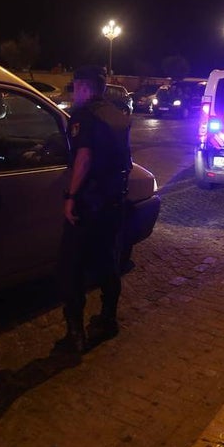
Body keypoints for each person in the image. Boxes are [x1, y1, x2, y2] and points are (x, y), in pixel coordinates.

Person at [58, 66, 133, 352]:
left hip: (88, 203)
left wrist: (70, 196)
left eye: (76, 87)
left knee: (70, 267)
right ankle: (108, 318)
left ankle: (75, 333)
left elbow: (84, 158)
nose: (75, 92)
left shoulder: (83, 115)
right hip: (114, 202)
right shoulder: (119, 115)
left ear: (86, 88)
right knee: (108, 264)